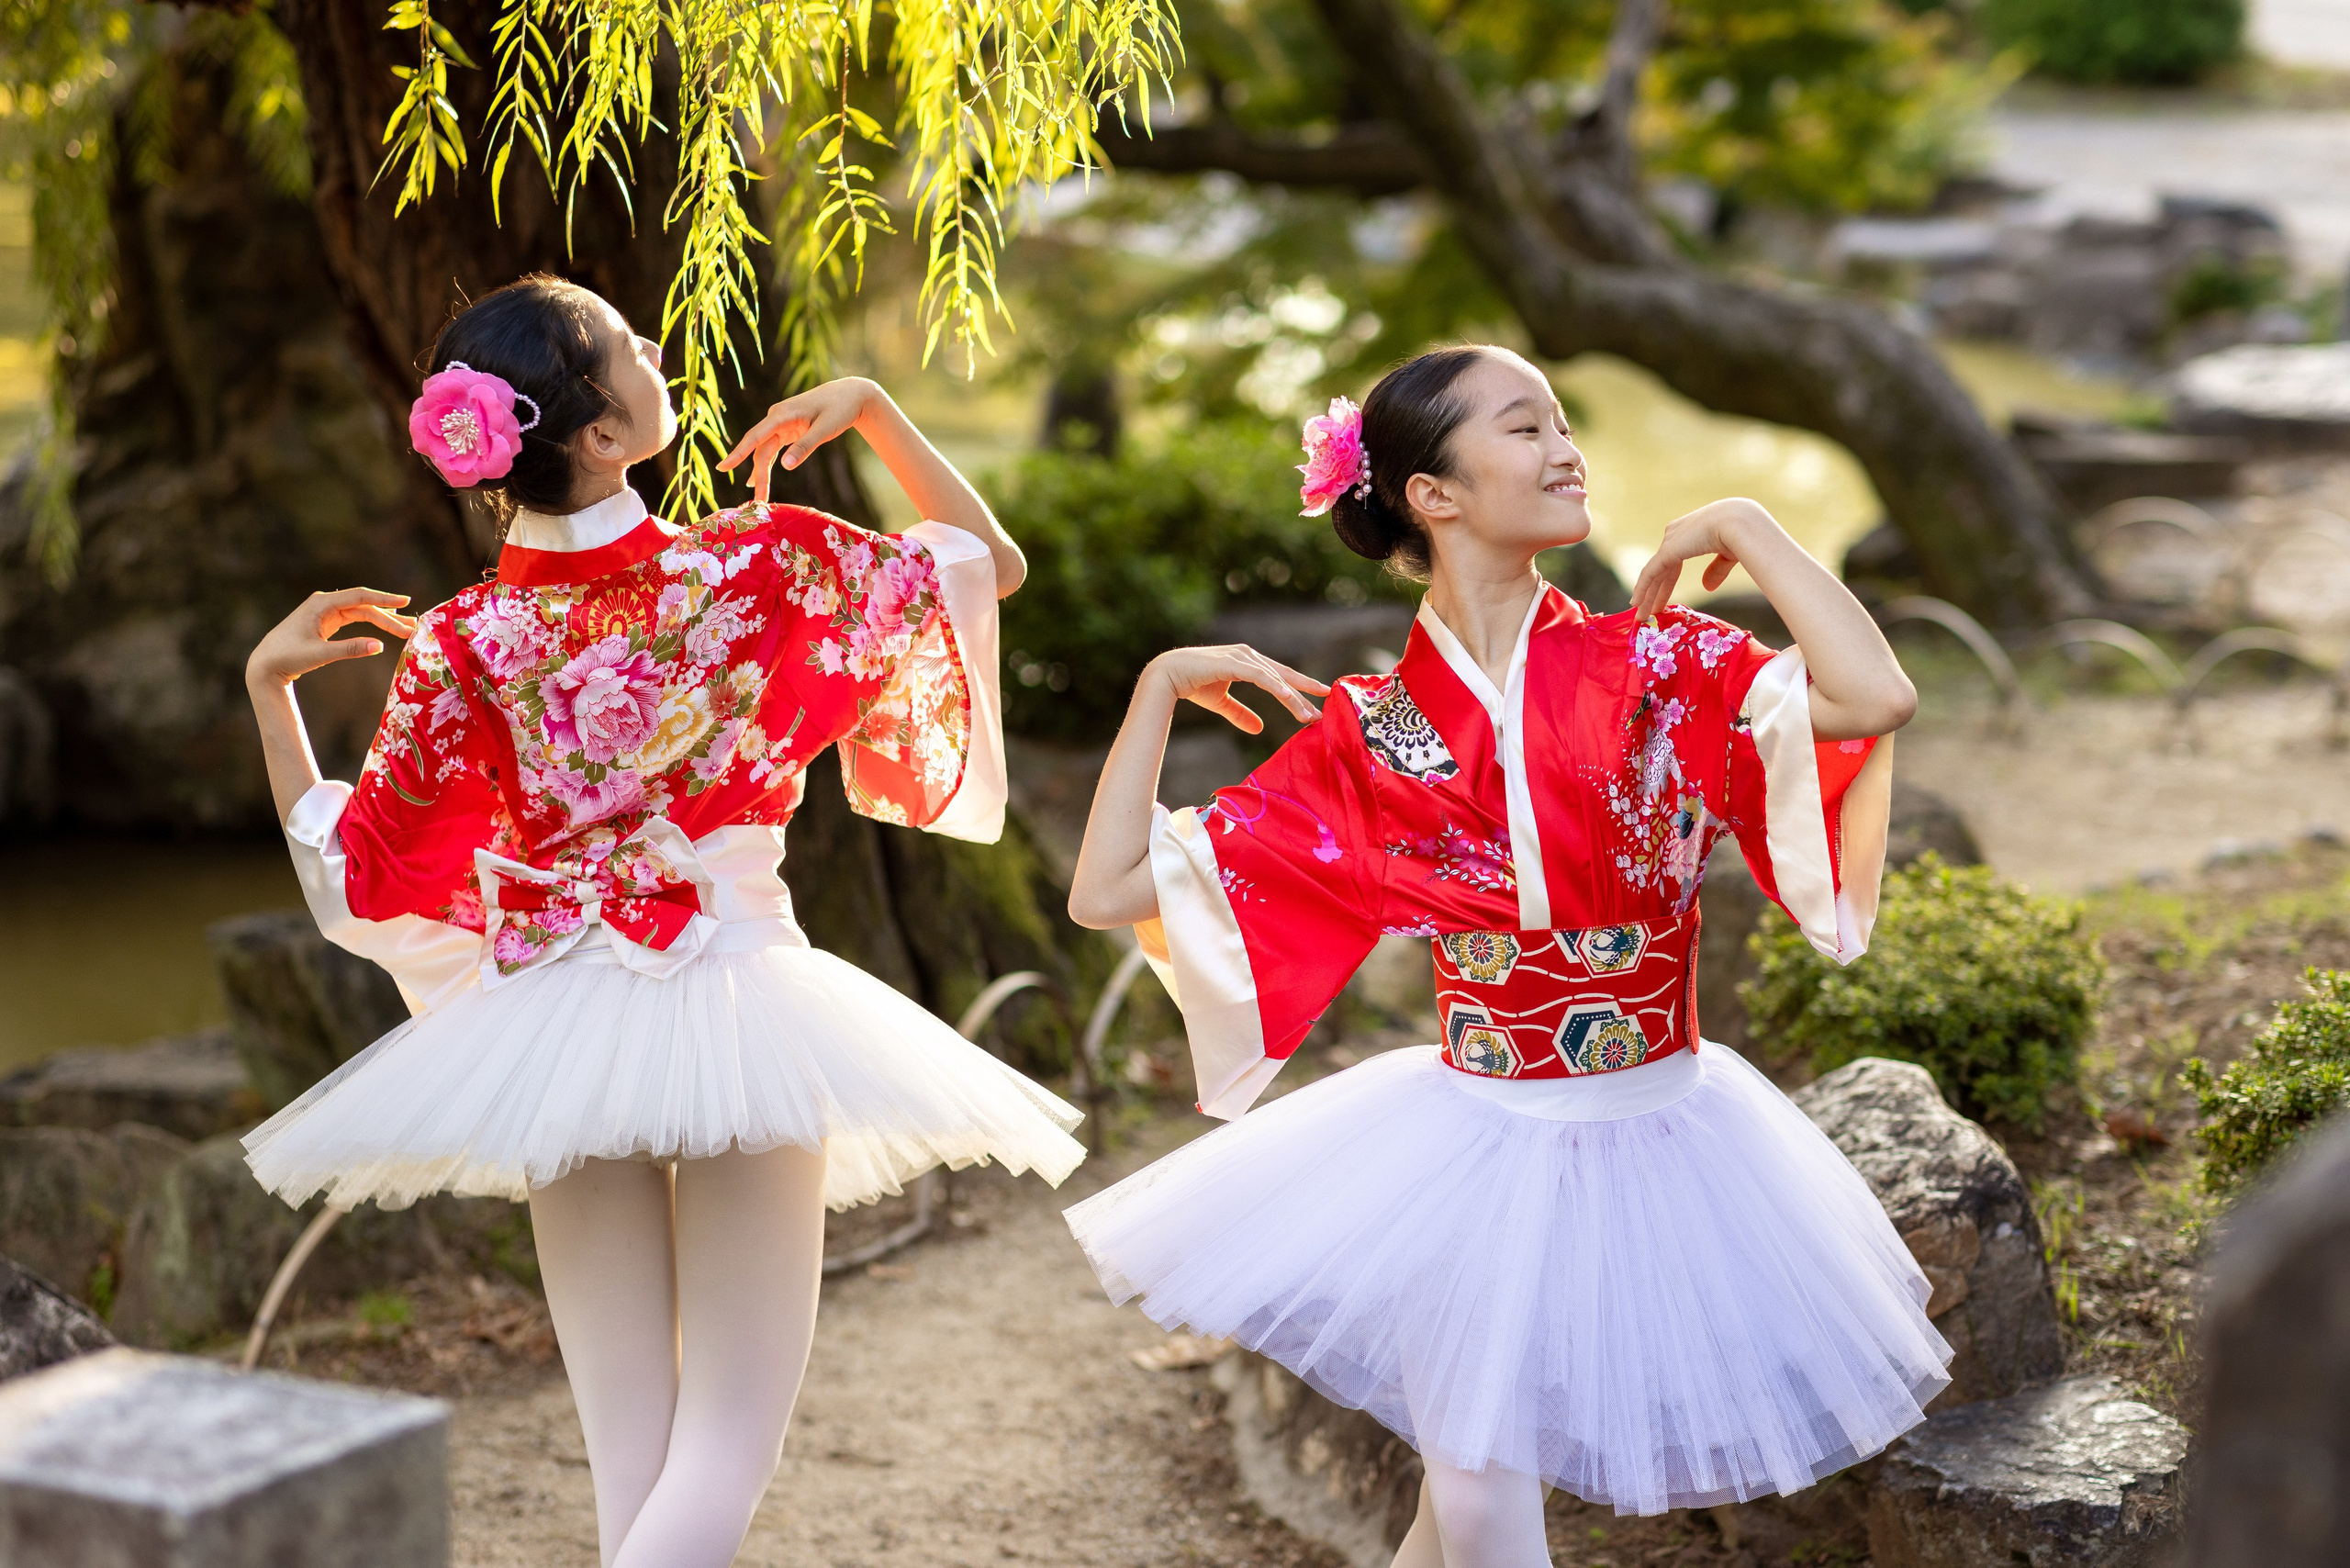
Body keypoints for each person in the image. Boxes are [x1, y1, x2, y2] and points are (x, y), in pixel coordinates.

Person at [240, 274, 1084, 1568]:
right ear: (602, 436)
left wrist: (270, 693)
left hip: (550, 1020)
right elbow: (988, 567)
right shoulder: (761, 563)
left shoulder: (466, 640)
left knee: (634, 1451)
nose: (655, 351)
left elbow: (373, 882)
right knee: (730, 1443)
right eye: (630, 346)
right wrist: (874, 417)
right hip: (740, 990)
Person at [1062, 344, 1950, 1565]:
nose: (1566, 448)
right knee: (1480, 1504)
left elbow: (1874, 696)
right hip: (1474, 1152)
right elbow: (1107, 890)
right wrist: (1158, 688)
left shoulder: (1658, 662)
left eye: (1565, 425)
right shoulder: (1370, 734)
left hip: (1669, 1132)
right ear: (1435, 494)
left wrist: (1751, 525)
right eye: (1525, 428)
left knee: (1456, 1515)